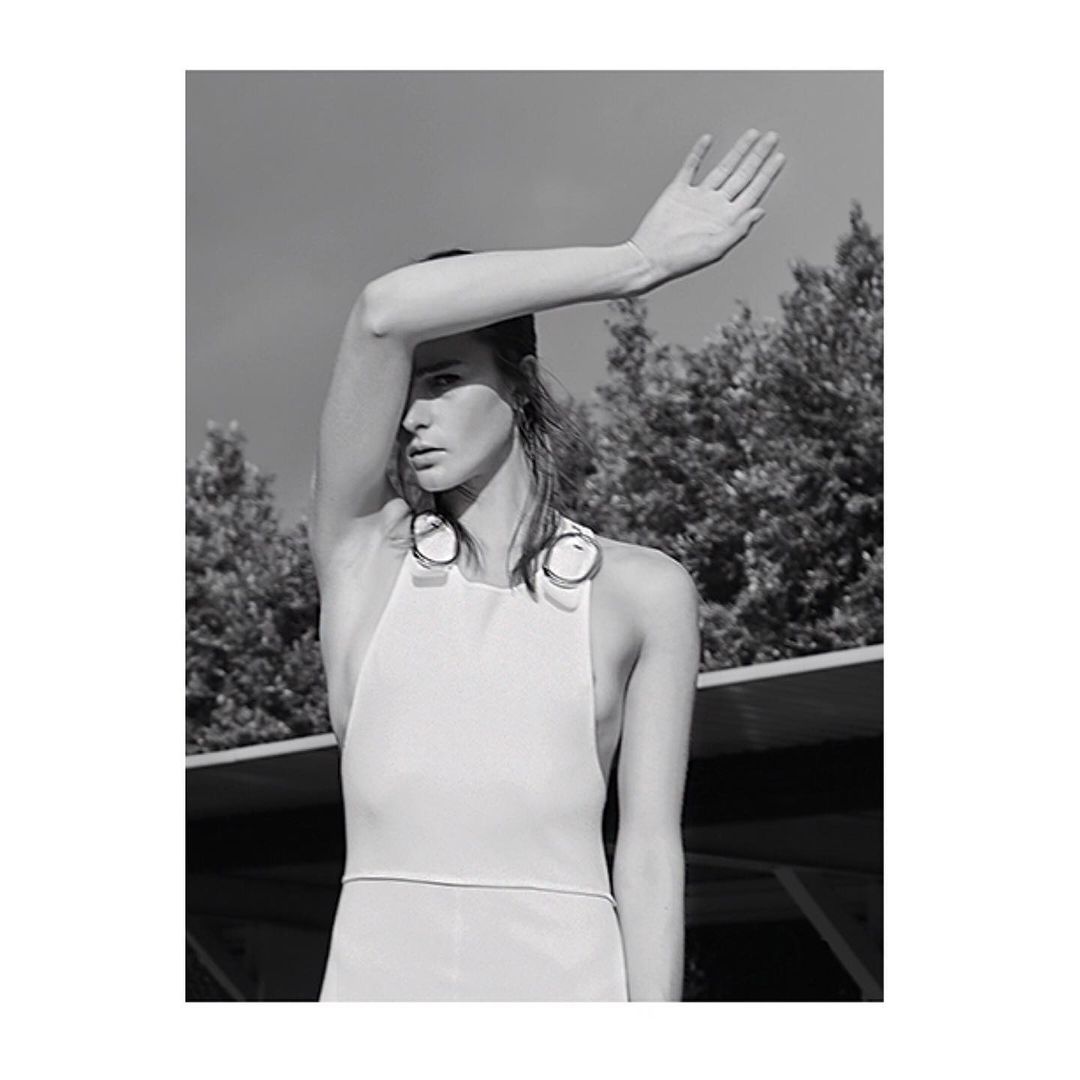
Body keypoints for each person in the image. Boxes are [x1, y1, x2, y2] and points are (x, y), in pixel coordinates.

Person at [310, 129, 786, 1001]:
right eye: (403, 389)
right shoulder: (363, 555)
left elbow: (649, 852)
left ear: (521, 383)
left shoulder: (644, 592)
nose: (411, 415)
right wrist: (636, 262)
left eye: (442, 380)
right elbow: (382, 311)